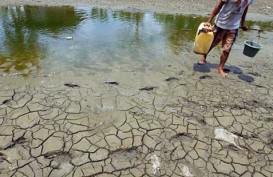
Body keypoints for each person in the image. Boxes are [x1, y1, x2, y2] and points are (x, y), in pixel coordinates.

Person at [198, 0, 253, 77]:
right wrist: (209, 21)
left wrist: (242, 23)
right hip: (220, 24)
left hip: (234, 27)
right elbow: (218, 5)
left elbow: (245, 8)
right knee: (212, 43)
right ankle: (204, 57)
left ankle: (220, 68)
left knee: (227, 49)